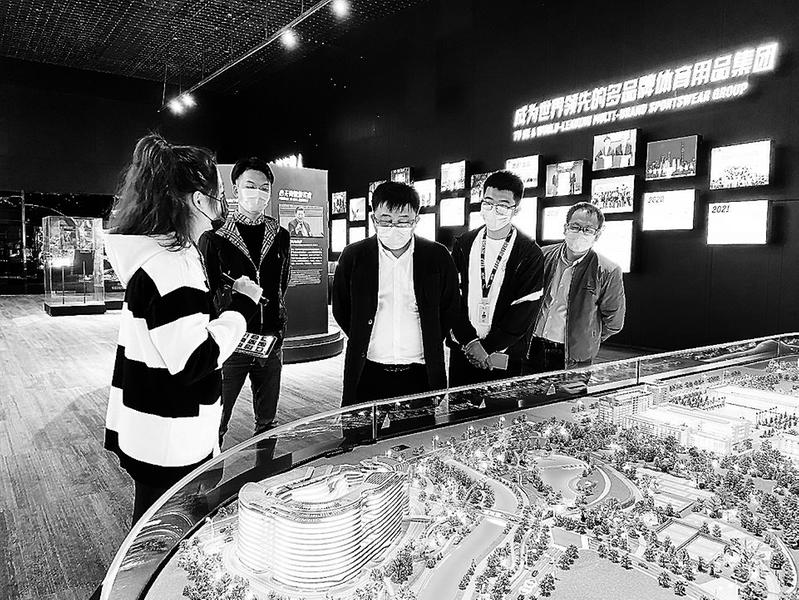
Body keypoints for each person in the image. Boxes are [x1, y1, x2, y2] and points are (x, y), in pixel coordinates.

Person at [103, 134, 263, 524]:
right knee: (165, 534)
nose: (222, 204)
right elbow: (195, 360)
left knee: (153, 524)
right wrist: (242, 306)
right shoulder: (172, 264)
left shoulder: (156, 255)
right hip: (170, 435)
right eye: (218, 194)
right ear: (197, 200)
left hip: (151, 424)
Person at [332, 181, 460, 406]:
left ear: (416, 220)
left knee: (417, 428)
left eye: (403, 221)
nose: (394, 227)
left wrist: (430, 336)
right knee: (361, 429)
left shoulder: (437, 256)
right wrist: (362, 333)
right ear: (373, 219)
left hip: (420, 372)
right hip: (367, 371)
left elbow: (450, 308)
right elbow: (342, 308)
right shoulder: (354, 256)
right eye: (386, 220)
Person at [199, 157, 291, 447]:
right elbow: (209, 292)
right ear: (235, 188)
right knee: (215, 420)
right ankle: (210, 473)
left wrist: (277, 320)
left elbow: (282, 282)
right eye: (250, 186)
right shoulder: (215, 237)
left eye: (264, 188)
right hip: (230, 341)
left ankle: (266, 468)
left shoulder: (280, 235)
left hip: (270, 339)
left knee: (268, 422)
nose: (257, 193)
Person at [449, 171, 544, 387]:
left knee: (500, 405)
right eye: (488, 202)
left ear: (516, 209)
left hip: (503, 353)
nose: (494, 209)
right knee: (459, 406)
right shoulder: (464, 244)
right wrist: (470, 341)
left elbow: (525, 308)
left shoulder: (529, 252)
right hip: (463, 349)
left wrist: (487, 347)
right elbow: (453, 296)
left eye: (503, 205)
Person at [526, 202, 626, 373]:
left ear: (598, 234)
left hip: (574, 357)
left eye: (588, 229)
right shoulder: (543, 256)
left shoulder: (608, 271)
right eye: (575, 226)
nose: (580, 233)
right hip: (533, 347)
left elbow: (614, 322)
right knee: (530, 391)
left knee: (571, 392)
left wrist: (587, 337)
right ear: (565, 228)